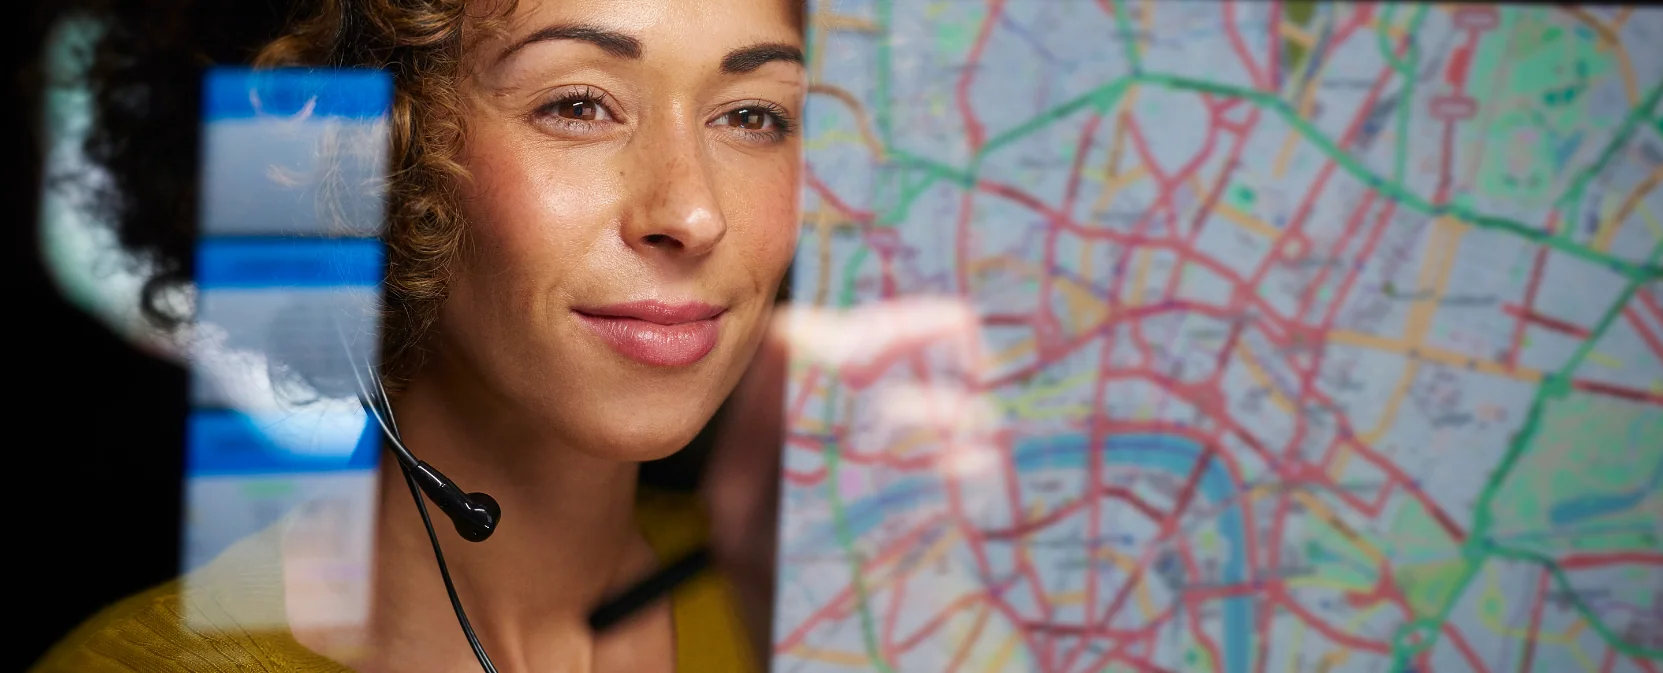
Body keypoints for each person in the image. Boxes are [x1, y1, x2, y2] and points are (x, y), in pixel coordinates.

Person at [33, 0, 807, 670]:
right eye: (577, 105)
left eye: (752, 116)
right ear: (363, 160)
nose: (693, 214)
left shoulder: (832, 606)